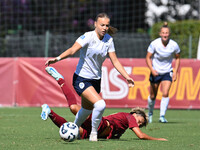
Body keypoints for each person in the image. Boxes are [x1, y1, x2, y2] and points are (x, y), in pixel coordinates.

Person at [44, 13, 134, 141]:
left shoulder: (109, 40)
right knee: (101, 104)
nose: (104, 28)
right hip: (81, 79)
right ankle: (93, 134)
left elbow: (115, 61)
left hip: (96, 80)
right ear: (95, 24)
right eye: (102, 25)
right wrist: (57, 59)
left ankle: (74, 128)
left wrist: (127, 77)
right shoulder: (88, 36)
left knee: (86, 110)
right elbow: (72, 50)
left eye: (107, 25)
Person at [41, 66, 167, 141]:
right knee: (74, 108)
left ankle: (50, 112)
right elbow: (140, 136)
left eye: (142, 123)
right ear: (135, 113)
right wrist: (158, 139)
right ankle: (60, 79)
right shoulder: (130, 117)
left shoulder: (121, 130)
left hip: (93, 131)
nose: (140, 123)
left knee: (72, 131)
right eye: (141, 119)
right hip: (98, 123)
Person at [146, 22, 180, 123]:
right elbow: (148, 57)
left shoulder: (174, 45)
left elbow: (177, 58)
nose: (165, 35)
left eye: (167, 33)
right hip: (155, 72)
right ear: (160, 34)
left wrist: (175, 72)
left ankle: (162, 116)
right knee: (153, 95)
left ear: (169, 34)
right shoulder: (154, 44)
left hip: (167, 72)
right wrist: (152, 70)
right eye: (163, 33)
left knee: (165, 93)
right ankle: (150, 114)